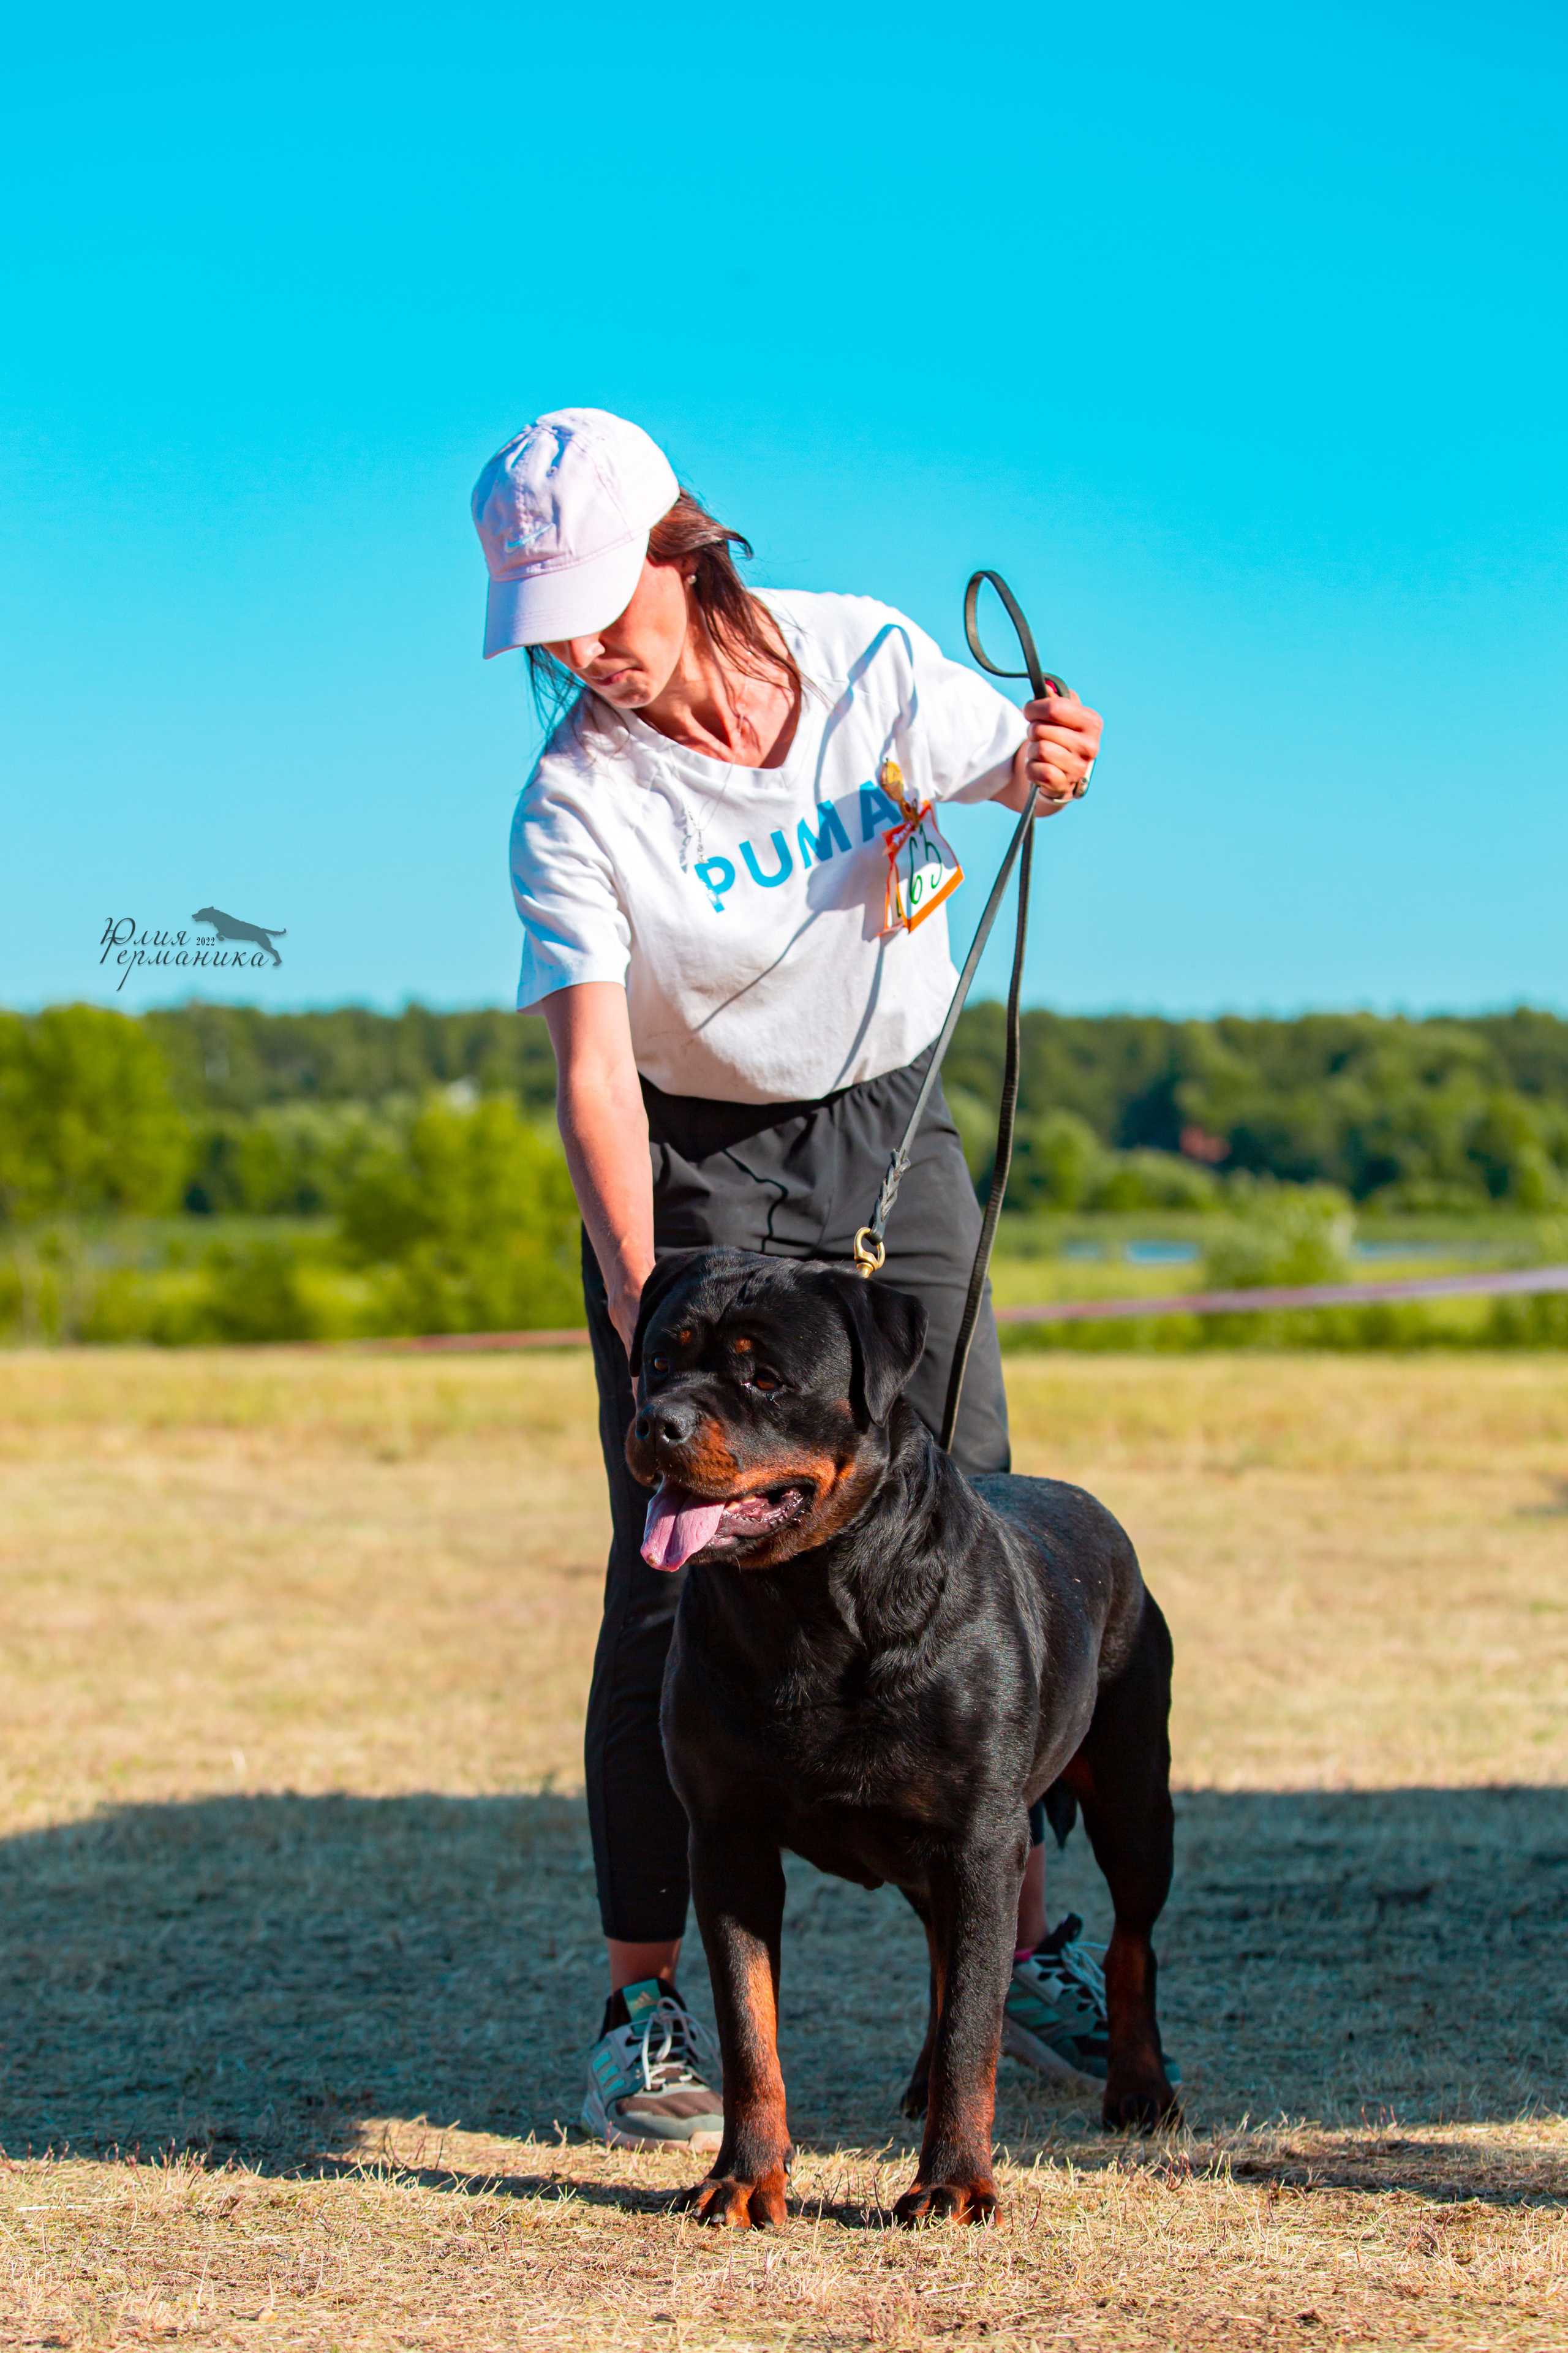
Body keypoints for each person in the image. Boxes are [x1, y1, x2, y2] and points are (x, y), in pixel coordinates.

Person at [472, 407, 1134, 2149]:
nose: (580, 652)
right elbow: (594, 1074)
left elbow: (1021, 765)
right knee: (670, 1561)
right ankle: (645, 2008)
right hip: (689, 1161)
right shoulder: (574, 802)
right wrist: (644, 1301)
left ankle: (1029, 1945)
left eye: (599, 606)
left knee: (966, 1523)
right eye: (546, 630)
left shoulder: (868, 661)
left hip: (891, 1125)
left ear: (684, 555)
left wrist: (1042, 761)